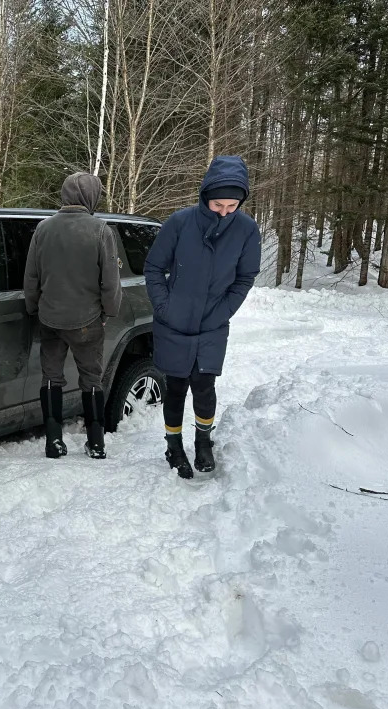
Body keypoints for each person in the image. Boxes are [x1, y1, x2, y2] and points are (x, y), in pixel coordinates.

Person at [143, 156, 261, 479]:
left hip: (211, 326)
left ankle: (203, 441)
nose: (224, 211)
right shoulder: (180, 223)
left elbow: (245, 277)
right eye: (218, 203)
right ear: (205, 195)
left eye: (232, 205)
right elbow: (153, 268)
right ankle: (174, 445)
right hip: (173, 325)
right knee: (176, 388)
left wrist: (222, 311)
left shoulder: (247, 231)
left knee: (205, 388)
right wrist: (165, 308)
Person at [24, 172, 122, 459]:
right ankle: (96, 444)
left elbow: (32, 276)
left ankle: (53, 443)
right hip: (88, 322)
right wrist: (109, 312)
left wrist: (33, 308)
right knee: (92, 380)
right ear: (92, 196)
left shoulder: (42, 229)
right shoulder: (101, 230)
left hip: (50, 319)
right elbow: (111, 281)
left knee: (51, 378)